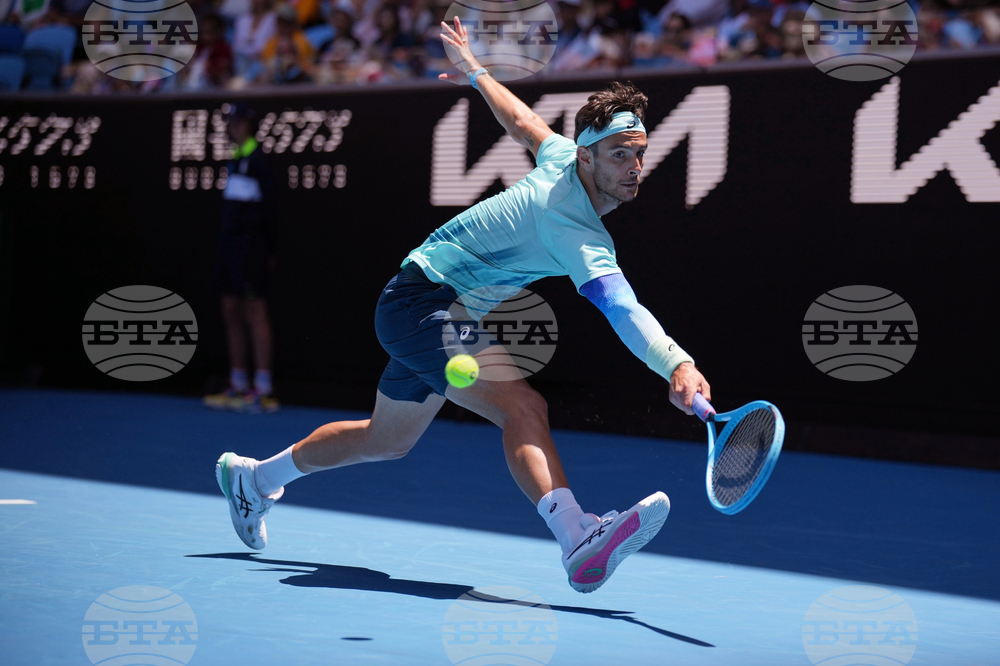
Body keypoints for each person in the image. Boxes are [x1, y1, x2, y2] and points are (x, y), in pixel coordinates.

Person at [215, 18, 712, 594]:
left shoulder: (559, 159)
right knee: (523, 407)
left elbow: (523, 121)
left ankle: (254, 479)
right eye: (621, 154)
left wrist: (476, 72)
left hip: (421, 309)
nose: (635, 167)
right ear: (588, 155)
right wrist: (675, 362)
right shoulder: (576, 232)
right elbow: (623, 310)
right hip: (424, 303)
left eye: (640, 154)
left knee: (386, 440)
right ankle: (577, 536)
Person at [204, 103, 281, 414]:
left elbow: (272, 210)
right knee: (230, 308)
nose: (232, 127)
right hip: (229, 246)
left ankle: (263, 391)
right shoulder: (235, 161)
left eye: (238, 122)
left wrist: (270, 250)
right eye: (230, 122)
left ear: (249, 125)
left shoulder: (259, 159)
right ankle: (238, 384)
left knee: (254, 310)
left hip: (252, 247)